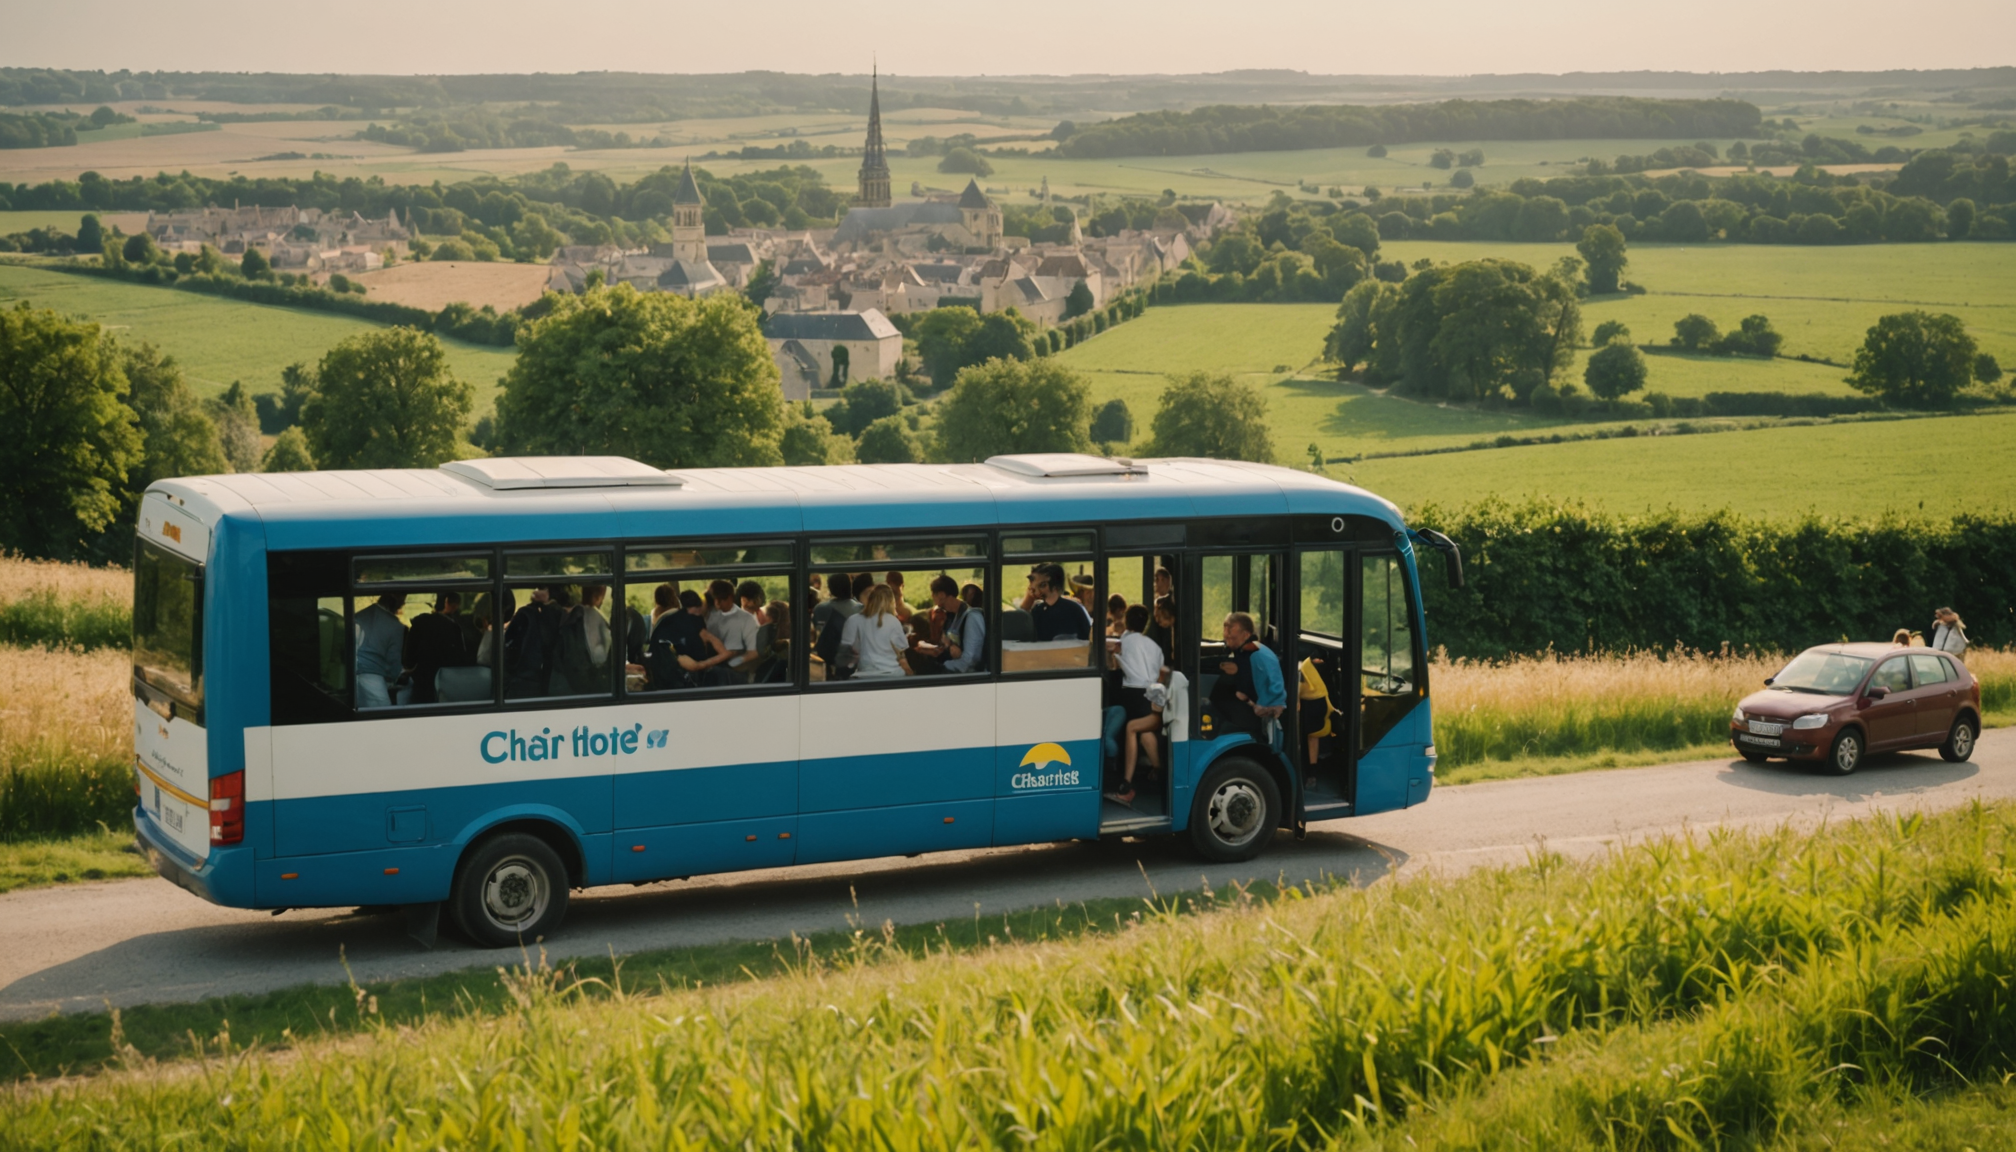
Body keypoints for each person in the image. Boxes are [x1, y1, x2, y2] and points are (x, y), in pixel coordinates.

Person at [1105, 604, 1164, 804]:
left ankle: (1126, 783)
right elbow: (1159, 673)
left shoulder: (1124, 642)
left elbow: (1115, 666)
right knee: (1145, 731)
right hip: (1153, 696)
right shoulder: (1154, 646)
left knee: (1130, 729)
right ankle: (1158, 771)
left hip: (1132, 695)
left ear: (1127, 621)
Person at [1211, 611, 1285, 737]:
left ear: (1245, 635)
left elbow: (1276, 683)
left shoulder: (1258, 654)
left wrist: (1265, 706)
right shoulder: (1243, 652)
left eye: (1231, 633)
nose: (1226, 635)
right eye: (1225, 630)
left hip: (1260, 712)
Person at [646, 589, 730, 688]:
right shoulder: (680, 628)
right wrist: (702, 664)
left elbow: (712, 642)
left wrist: (702, 664)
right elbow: (722, 653)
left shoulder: (689, 621)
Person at [404, 591, 473, 704]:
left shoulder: (419, 622)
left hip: (422, 682)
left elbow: (408, 659)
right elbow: (461, 659)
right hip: (449, 683)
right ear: (449, 603)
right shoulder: (456, 628)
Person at [911, 575, 987, 675]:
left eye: (933, 593)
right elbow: (948, 646)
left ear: (942, 595)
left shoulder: (971, 617)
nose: (931, 596)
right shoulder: (952, 616)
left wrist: (944, 666)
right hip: (952, 665)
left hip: (963, 673)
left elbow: (970, 660)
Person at [503, 586, 566, 699]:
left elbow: (507, 647)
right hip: (552, 681)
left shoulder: (524, 614)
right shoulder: (562, 616)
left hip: (523, 680)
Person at [553, 584, 615, 695]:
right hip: (588, 687)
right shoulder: (593, 617)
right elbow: (599, 659)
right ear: (601, 593)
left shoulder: (575, 615)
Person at [841, 583, 910, 678]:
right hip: (892, 674)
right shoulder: (893, 621)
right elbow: (902, 647)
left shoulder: (853, 620)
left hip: (864, 675)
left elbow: (848, 649)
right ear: (891, 602)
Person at [353, 592, 408, 708]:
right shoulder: (396, 626)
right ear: (396, 601)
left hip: (351, 672)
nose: (404, 603)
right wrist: (394, 678)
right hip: (373, 675)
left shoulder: (359, 615)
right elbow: (394, 660)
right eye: (403, 600)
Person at [706, 577, 762, 678]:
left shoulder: (746, 619)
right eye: (714, 599)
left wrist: (733, 662)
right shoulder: (709, 616)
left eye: (721, 599)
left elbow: (753, 653)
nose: (717, 603)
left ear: (731, 598)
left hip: (734, 672)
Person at [1030, 563, 1094, 641]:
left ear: (1054, 586)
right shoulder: (1037, 611)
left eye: (1042, 585)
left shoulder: (1075, 609)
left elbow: (1087, 639)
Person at [1299, 653, 1337, 768]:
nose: (1318, 662)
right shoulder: (1326, 675)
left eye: (1320, 660)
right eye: (1316, 660)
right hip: (1323, 713)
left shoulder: (1305, 671)